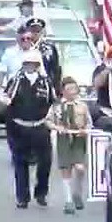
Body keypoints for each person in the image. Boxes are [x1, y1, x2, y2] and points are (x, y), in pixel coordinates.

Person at [0, 51, 56, 208]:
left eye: (33, 64)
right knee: (20, 162)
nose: (30, 66)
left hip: (40, 125)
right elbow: (7, 99)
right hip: (20, 126)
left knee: (45, 161)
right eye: (27, 64)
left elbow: (53, 101)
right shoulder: (16, 80)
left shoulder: (45, 82)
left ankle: (41, 193)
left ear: (38, 65)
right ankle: (22, 197)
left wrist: (50, 118)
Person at [48, 76, 92, 214]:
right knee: (65, 169)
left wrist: (86, 130)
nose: (73, 92)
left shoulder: (83, 106)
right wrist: (56, 128)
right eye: (69, 89)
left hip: (79, 138)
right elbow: (48, 121)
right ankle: (68, 201)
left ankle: (77, 192)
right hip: (64, 139)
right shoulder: (57, 106)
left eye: (74, 88)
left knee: (80, 168)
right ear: (63, 91)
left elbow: (89, 122)